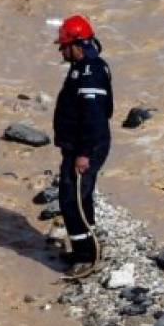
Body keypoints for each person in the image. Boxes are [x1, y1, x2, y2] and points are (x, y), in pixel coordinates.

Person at [52, 14, 114, 270]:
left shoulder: (90, 72)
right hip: (78, 145)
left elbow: (94, 116)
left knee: (71, 200)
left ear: (76, 44)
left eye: (64, 46)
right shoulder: (82, 68)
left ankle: (86, 257)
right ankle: (88, 247)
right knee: (81, 196)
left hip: (85, 147)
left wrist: (84, 153)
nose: (61, 51)